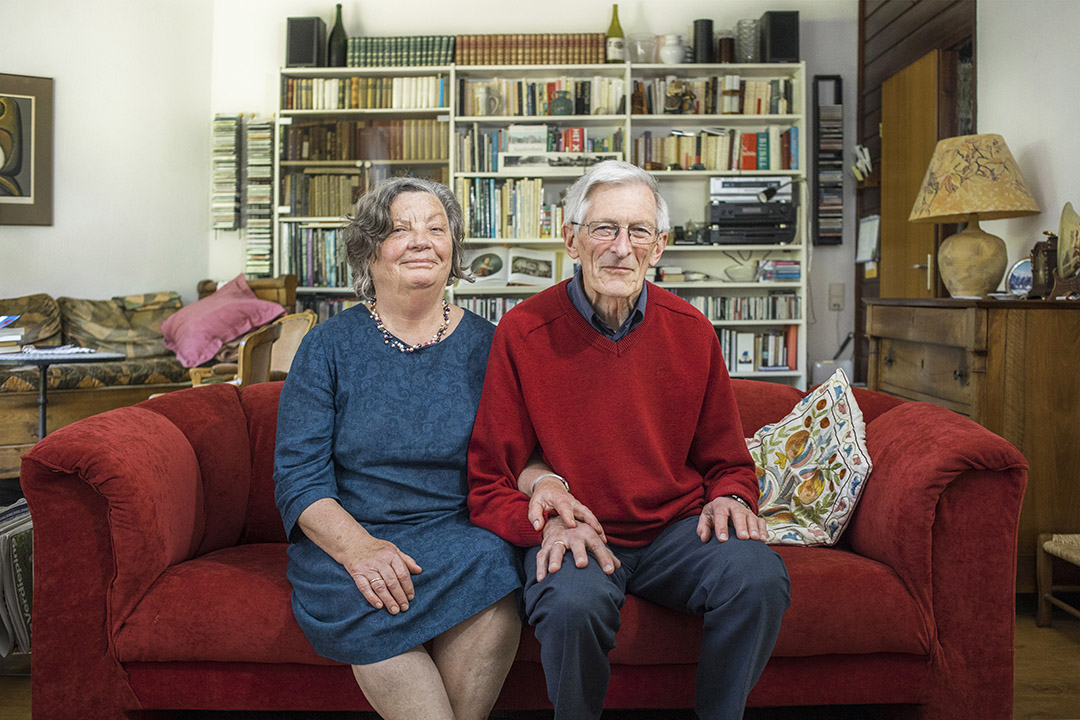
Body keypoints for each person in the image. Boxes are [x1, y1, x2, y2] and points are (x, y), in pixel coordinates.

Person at [467, 161, 791, 720]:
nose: (622, 247)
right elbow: (490, 477)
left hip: (675, 534)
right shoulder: (522, 331)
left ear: (660, 246)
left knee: (760, 577)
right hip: (580, 531)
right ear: (570, 239)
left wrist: (733, 497)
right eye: (603, 229)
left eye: (638, 231)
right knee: (570, 603)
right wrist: (541, 524)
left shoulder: (692, 331)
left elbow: (728, 460)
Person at [274, 177, 527, 720]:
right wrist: (359, 550)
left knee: (495, 560)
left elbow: (519, 455)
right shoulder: (328, 345)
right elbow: (299, 477)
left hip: (462, 539)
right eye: (399, 229)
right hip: (351, 537)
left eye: (436, 229)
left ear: (453, 249)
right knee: (367, 588)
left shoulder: (491, 345)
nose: (422, 241)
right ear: (368, 250)